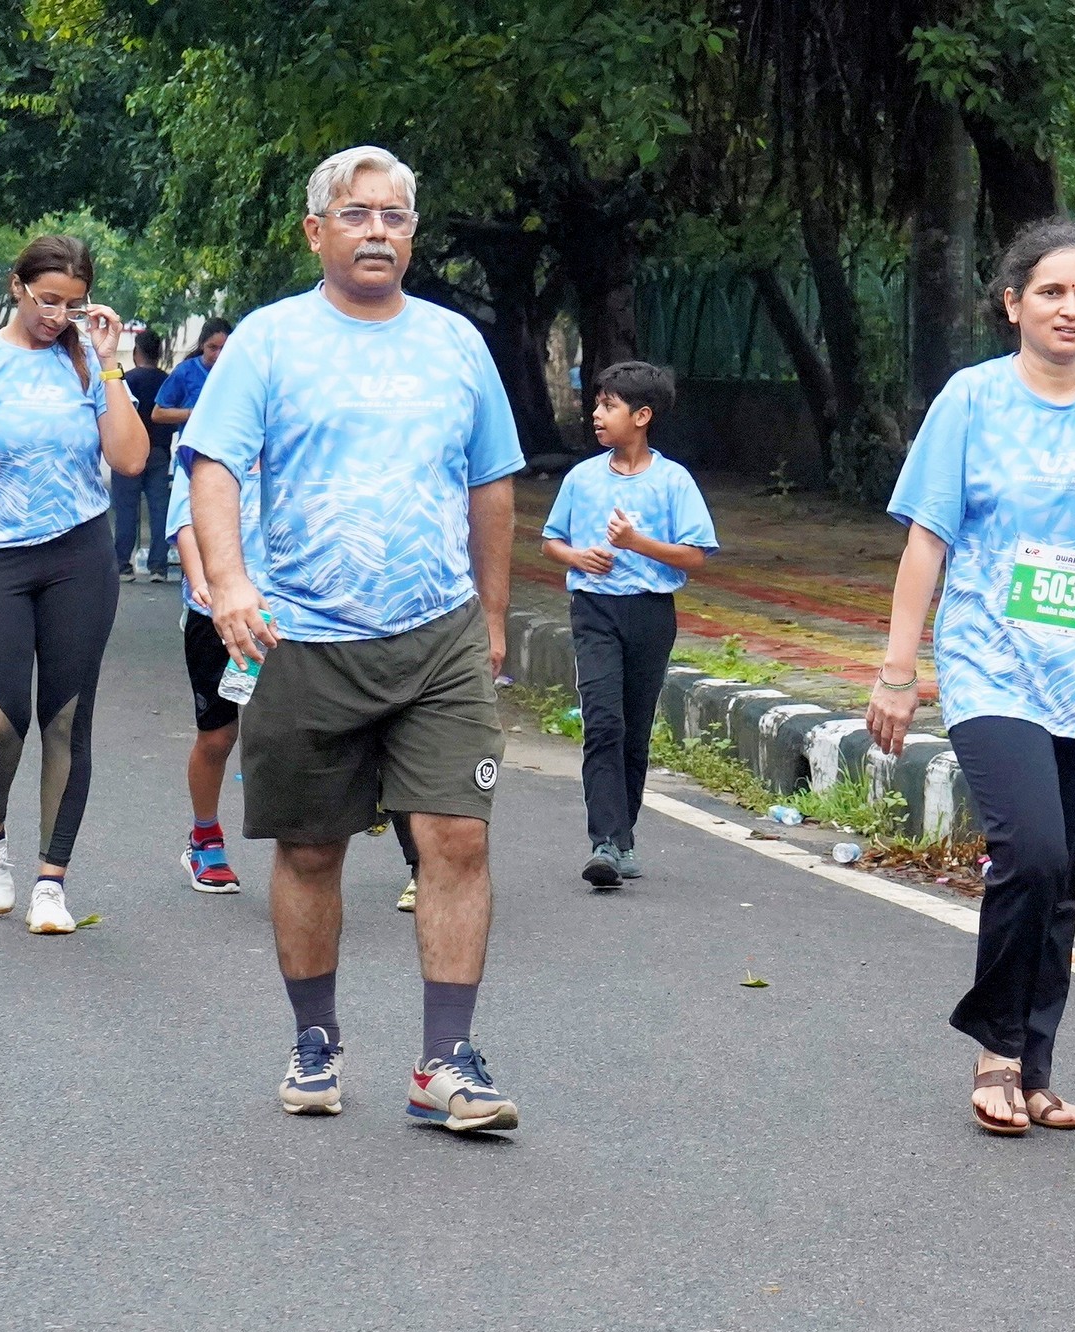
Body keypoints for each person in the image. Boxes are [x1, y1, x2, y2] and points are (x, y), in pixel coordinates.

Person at [181, 144, 525, 1130]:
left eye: (395, 217)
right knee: (310, 848)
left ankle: (446, 1061)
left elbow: (491, 483)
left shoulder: (456, 344)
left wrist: (492, 617)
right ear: (316, 230)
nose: (378, 232)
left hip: (437, 632)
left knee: (456, 835)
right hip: (302, 635)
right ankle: (315, 1038)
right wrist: (230, 584)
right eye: (357, 214)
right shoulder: (269, 341)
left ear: (413, 234)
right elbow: (214, 466)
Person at [866, 218, 1075, 1135]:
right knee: (1033, 851)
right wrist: (899, 670)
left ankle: (1036, 1068)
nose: (1069, 308)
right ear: (1013, 303)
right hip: (990, 666)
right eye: (1051, 291)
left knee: (1059, 881)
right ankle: (996, 1049)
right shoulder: (971, 401)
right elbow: (927, 540)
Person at [0, 235, 150, 934]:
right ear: (16, 286)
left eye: (72, 304)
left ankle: (52, 879)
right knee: (0, 718)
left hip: (79, 554)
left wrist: (109, 364)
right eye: (47, 300)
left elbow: (130, 459)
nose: (56, 316)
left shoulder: (87, 364)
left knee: (67, 719)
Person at [540, 359, 719, 889]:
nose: (596, 415)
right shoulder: (581, 478)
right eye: (597, 405)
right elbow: (550, 541)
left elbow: (695, 554)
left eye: (608, 406)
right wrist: (577, 557)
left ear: (642, 416)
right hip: (593, 609)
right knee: (603, 722)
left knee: (634, 729)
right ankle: (604, 842)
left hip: (650, 612)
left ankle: (623, 839)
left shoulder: (673, 481)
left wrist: (636, 543)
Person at [163, 442, 263, 892]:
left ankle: (305, 849)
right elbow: (185, 524)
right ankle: (204, 839)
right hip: (217, 615)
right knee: (218, 736)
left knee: (295, 733)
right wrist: (204, 581)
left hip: (290, 613)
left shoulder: (300, 433)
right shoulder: (207, 443)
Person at [112, 327, 174, 582]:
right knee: (159, 510)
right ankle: (158, 566)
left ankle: (123, 565)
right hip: (159, 451)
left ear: (136, 352)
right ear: (159, 353)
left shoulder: (126, 381)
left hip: (128, 451)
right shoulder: (167, 381)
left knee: (126, 509)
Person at [150, 317, 229, 434]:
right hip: (194, 443)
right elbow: (157, 414)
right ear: (202, 345)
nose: (218, 354)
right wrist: (193, 413)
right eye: (212, 347)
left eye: (224, 348)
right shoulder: (185, 372)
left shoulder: (238, 371)